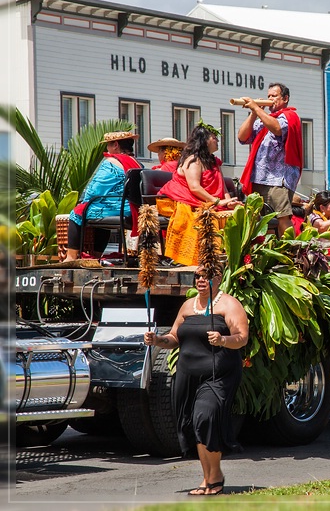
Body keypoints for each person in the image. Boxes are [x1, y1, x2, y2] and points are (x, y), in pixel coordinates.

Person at [144, 268, 249, 496]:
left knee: (206, 416)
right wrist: (158, 340)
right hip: (187, 375)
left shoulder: (229, 305)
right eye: (198, 277)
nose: (201, 280)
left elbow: (241, 338)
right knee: (193, 424)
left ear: (218, 278)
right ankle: (208, 478)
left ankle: (216, 474)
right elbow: (174, 338)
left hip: (218, 375)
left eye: (207, 276)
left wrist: (223, 339)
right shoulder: (187, 306)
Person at [65, 131, 143, 262]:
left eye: (108, 145)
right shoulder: (137, 163)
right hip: (133, 208)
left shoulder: (112, 162)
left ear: (116, 145)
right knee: (100, 215)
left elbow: (95, 189)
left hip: (118, 207)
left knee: (77, 213)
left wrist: (84, 201)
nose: (107, 148)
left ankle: (70, 257)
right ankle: (96, 255)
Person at [237, 83, 303, 237]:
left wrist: (257, 108)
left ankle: (292, 253)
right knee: (256, 219)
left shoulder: (289, 116)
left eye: (274, 96)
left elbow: (277, 128)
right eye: (269, 96)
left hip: (278, 179)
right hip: (259, 177)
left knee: (282, 217)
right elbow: (242, 137)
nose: (270, 99)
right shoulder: (262, 118)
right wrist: (253, 113)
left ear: (285, 99)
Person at [159, 123, 241, 209]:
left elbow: (223, 188)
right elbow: (195, 187)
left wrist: (228, 203)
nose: (217, 141)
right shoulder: (193, 160)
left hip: (209, 202)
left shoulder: (215, 162)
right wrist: (217, 202)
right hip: (184, 200)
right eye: (214, 138)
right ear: (204, 141)